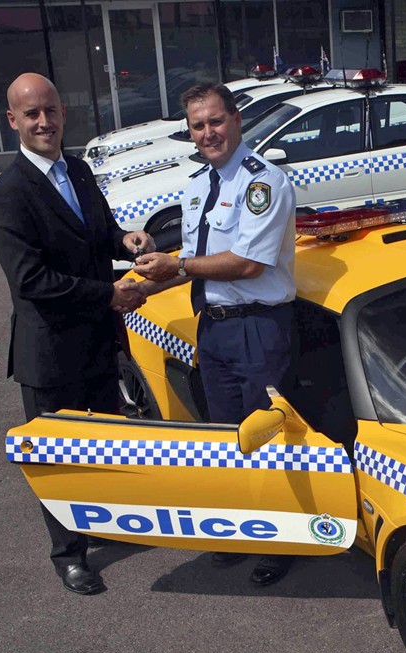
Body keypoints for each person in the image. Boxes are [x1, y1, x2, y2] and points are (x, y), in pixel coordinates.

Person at [0, 72, 153, 596]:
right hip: (50, 353)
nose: (43, 122)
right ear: (13, 121)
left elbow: (98, 232)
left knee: (105, 442)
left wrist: (125, 239)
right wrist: (108, 294)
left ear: (62, 114)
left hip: (99, 344)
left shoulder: (77, 170)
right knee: (58, 456)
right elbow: (31, 280)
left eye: (50, 111)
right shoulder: (7, 194)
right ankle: (69, 553)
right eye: (31, 114)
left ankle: (105, 523)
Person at [130, 82, 297, 586]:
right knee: (225, 439)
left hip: (258, 330)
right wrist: (143, 285)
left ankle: (282, 543)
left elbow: (247, 264)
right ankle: (244, 531)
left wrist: (176, 262)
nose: (209, 133)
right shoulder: (198, 185)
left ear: (237, 120)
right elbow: (198, 264)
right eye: (198, 125)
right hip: (216, 331)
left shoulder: (264, 182)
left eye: (216, 121)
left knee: (268, 442)